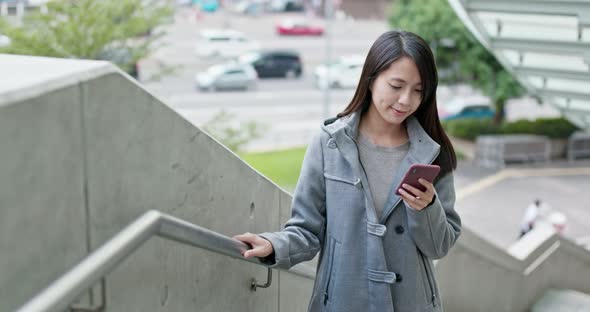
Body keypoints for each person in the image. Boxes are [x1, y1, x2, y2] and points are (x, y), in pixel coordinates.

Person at [234, 30, 461, 312]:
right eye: (396, 85)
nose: (405, 100)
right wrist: (274, 245)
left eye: (418, 90)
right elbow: (306, 231)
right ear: (371, 79)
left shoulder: (433, 152)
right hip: (342, 300)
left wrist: (426, 208)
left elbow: (439, 246)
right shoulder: (330, 143)